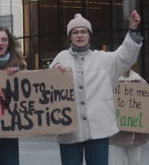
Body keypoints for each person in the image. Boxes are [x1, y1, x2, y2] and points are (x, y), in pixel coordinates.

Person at [50, 11, 142, 165]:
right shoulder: (61, 57)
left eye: (83, 31)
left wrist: (132, 29)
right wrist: (54, 73)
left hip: (99, 129)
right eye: (75, 32)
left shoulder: (102, 59)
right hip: (69, 130)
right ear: (70, 36)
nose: (80, 35)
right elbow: (44, 86)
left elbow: (125, 56)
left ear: (89, 35)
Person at [0, 26, 27, 165]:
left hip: (9, 131)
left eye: (4, 39)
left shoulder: (20, 64)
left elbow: (27, 96)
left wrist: (18, 75)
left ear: (9, 43)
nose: (0, 43)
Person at [108, 69, 149, 165]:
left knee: (135, 162)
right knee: (116, 162)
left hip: (135, 137)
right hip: (115, 136)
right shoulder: (109, 80)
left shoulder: (140, 81)